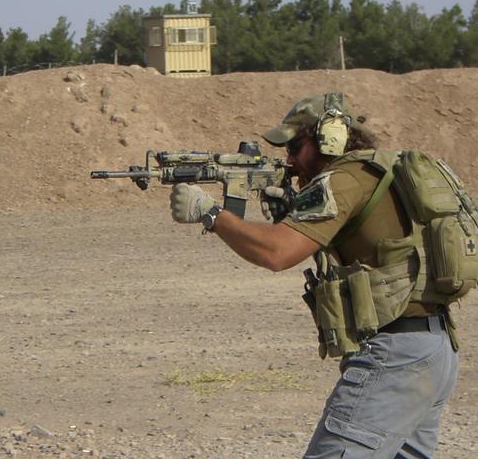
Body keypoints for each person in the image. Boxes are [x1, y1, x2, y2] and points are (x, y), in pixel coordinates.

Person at [169, 93, 459, 459]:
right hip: (432, 349)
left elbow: (276, 253)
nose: (289, 159)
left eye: (296, 145)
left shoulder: (344, 179)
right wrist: (291, 210)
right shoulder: (376, 170)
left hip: (395, 356)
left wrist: (211, 214)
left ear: (329, 138)